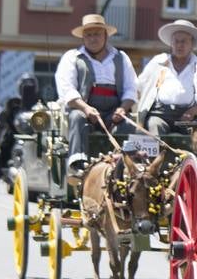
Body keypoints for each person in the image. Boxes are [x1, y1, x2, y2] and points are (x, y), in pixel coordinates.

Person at [55, 13, 138, 172]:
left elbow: (131, 88)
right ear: (83, 38)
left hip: (114, 113)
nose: (93, 38)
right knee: (77, 118)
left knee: (127, 125)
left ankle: (124, 167)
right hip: (84, 111)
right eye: (88, 35)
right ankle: (78, 167)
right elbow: (67, 90)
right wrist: (86, 108)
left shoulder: (121, 57)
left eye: (97, 34)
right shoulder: (72, 57)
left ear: (105, 36)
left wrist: (123, 109)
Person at [137, 18, 197, 134]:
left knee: (195, 135)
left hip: (188, 116)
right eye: (176, 41)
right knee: (154, 125)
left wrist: (194, 111)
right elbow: (138, 86)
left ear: (192, 44)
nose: (179, 45)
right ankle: (157, 153)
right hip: (159, 114)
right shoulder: (159, 62)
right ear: (171, 43)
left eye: (184, 41)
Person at [0, 95, 22, 193]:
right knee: (0, 160)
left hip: (22, 136)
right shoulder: (8, 109)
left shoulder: (27, 108)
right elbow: (1, 119)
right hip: (11, 136)